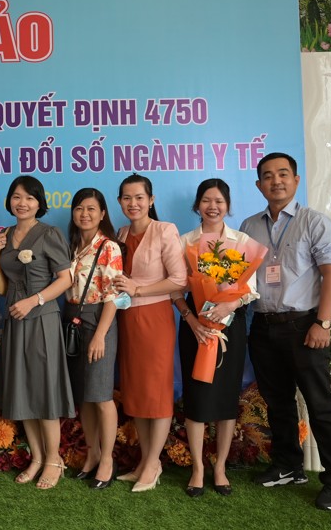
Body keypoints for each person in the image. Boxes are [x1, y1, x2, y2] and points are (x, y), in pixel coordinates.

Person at [240, 152, 331, 511]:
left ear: (296, 180)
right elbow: (240, 279)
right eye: (268, 176)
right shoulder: (249, 226)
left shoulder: (314, 222)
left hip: (305, 326)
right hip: (263, 326)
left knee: (320, 405)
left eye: (283, 174)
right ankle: (288, 466)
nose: (276, 181)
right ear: (259, 185)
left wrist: (323, 322)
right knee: (277, 402)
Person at [171, 179, 262, 497]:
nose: (213, 206)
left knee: (225, 398)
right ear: (197, 205)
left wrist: (228, 305)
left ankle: (220, 467)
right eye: (207, 200)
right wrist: (192, 320)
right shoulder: (185, 242)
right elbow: (176, 289)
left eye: (219, 201)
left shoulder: (241, 241)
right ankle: (197, 468)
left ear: (228, 205)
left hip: (230, 327)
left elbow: (250, 289)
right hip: (195, 327)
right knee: (197, 396)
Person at [0, 175, 74, 490]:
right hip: (14, 317)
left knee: (44, 389)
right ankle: (37, 457)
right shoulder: (5, 236)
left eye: (29, 197)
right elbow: (0, 281)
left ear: (39, 203)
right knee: (22, 387)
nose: (21, 203)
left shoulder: (49, 233)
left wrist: (34, 301)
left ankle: (54, 459)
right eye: (16, 196)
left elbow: (66, 278)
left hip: (41, 317)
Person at [112, 173, 186, 492]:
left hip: (155, 318)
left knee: (156, 391)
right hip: (127, 318)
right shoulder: (121, 233)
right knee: (136, 391)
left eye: (139, 197)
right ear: (119, 202)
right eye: (127, 198)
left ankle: (154, 463)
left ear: (151, 200)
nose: (133, 203)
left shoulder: (164, 230)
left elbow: (179, 279)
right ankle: (145, 461)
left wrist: (139, 289)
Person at [64, 188, 123, 490]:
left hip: (99, 320)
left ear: (102, 214)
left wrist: (100, 335)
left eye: (91, 209)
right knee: (85, 396)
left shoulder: (109, 247)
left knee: (101, 395)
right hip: (72, 320)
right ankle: (92, 454)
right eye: (79, 208)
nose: (84, 214)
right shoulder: (73, 246)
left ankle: (108, 460)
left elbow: (113, 297)